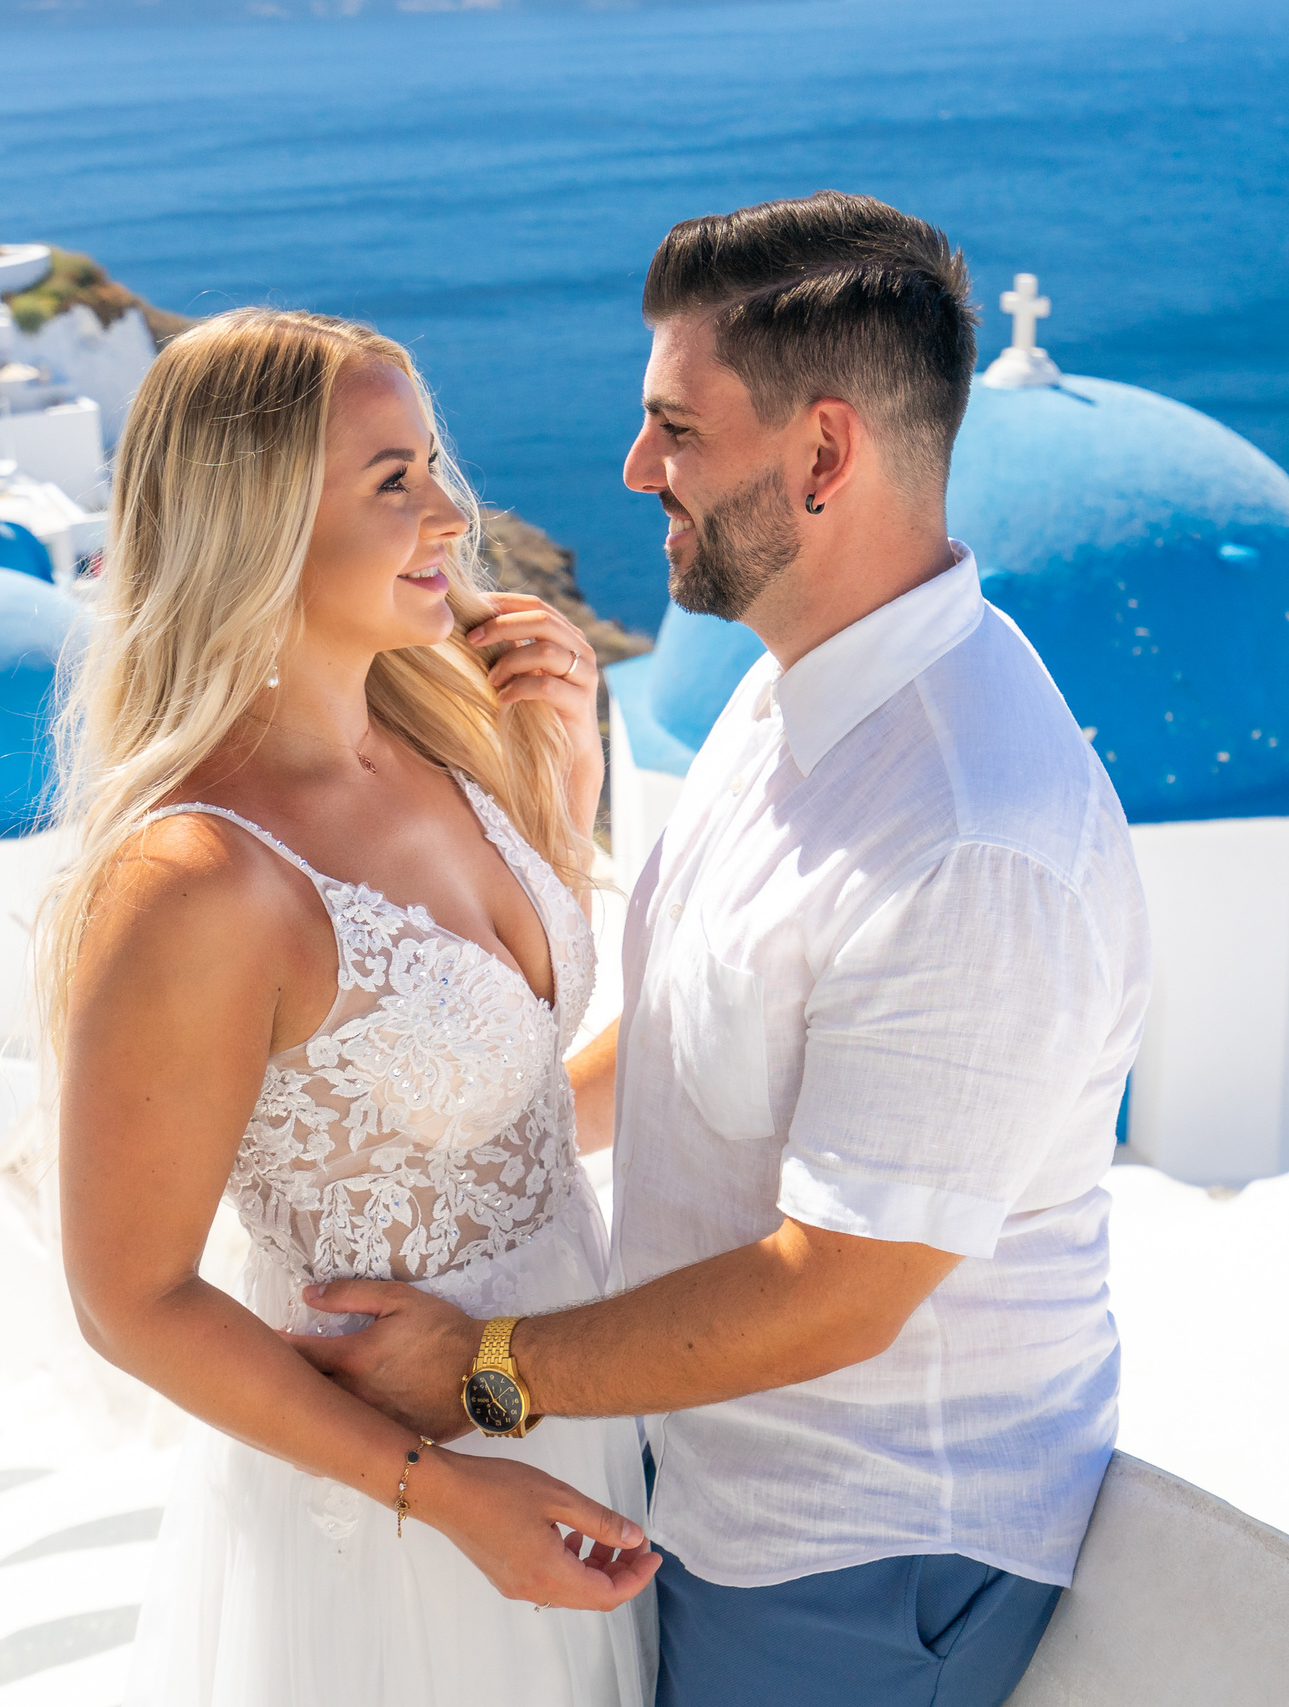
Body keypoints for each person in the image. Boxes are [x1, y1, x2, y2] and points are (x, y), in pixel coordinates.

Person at [294, 193, 1152, 1707]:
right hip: (713, 1489)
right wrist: (429, 1157)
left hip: (866, 1566)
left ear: (824, 456)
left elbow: (839, 1288)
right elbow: (691, 1030)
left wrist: (485, 1372)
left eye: (675, 429)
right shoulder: (799, 684)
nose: (637, 471)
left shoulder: (971, 836)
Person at [38, 308, 658, 1707]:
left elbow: (499, 1087)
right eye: (394, 482)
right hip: (397, 1505)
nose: (454, 510)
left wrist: (558, 798)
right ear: (250, 522)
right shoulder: (201, 880)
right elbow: (127, 1299)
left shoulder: (445, 736)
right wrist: (447, 1497)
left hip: (560, 1399)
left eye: (436, 463)